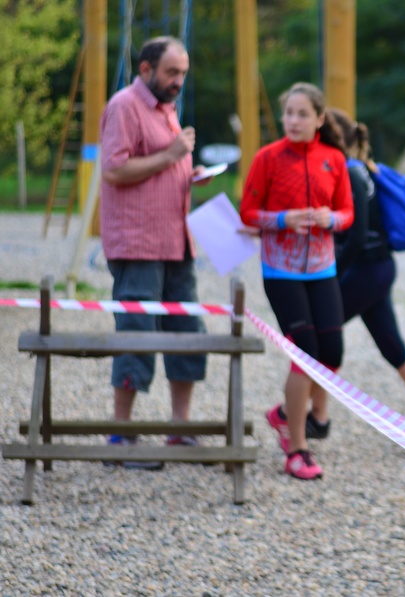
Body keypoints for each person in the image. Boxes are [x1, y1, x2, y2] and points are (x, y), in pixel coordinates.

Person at [305, 108, 405, 442]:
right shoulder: (361, 169)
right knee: (393, 347)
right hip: (376, 270)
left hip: (366, 270)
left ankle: (316, 416)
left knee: (317, 333)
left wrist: (330, 275)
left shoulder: (350, 172)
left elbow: (356, 237)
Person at [99, 36, 215, 468]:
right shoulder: (124, 106)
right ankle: (121, 437)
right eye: (171, 72)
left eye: (183, 73)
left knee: (188, 334)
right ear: (146, 69)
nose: (178, 81)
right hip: (138, 244)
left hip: (175, 242)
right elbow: (114, 170)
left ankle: (179, 430)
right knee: (137, 334)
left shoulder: (166, 107)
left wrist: (189, 172)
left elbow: (162, 163)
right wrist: (171, 156)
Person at [239, 82, 354, 480]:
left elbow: (347, 213)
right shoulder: (267, 157)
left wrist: (329, 219)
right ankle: (298, 448)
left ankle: (284, 414)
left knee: (332, 353)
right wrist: (283, 219)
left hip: (323, 269)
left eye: (303, 114)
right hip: (281, 271)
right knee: (305, 352)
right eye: (289, 113)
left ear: (320, 119)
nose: (293, 120)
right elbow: (247, 212)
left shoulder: (333, 159)